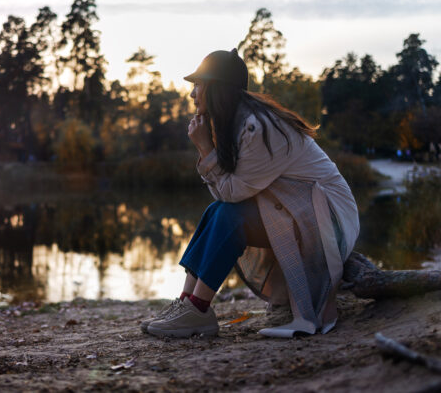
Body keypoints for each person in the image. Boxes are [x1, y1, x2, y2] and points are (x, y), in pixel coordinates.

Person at [141, 49, 359, 338]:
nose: (192, 94)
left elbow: (233, 195)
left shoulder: (260, 127)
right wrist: (208, 150)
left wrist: (206, 150)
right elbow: (223, 195)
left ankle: (198, 308)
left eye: (197, 85)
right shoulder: (239, 123)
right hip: (299, 209)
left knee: (230, 216)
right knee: (215, 212)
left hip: (328, 219)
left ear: (216, 89)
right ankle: (187, 304)